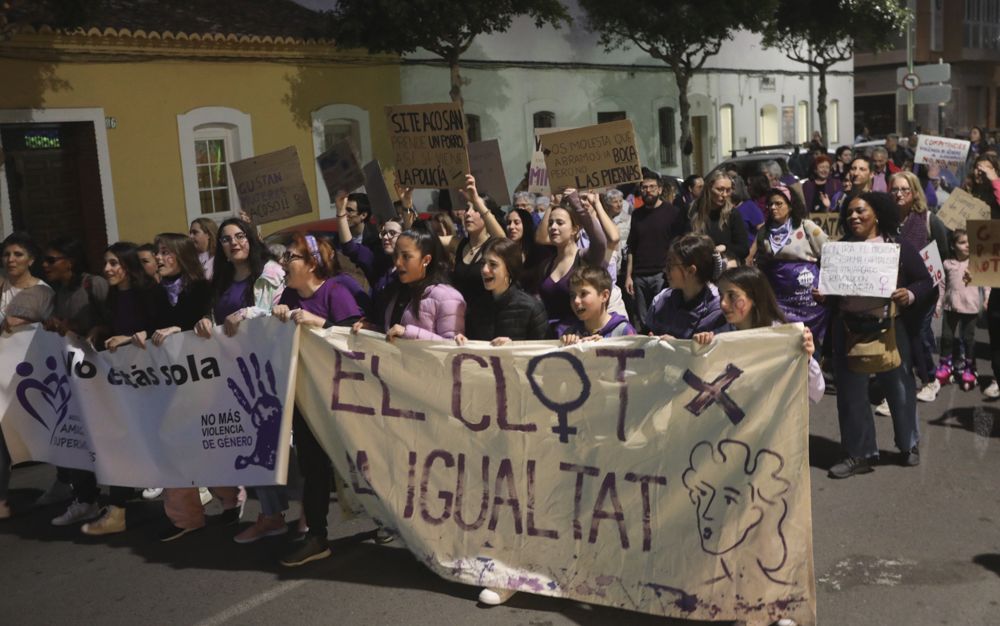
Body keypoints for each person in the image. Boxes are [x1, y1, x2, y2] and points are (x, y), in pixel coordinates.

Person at [191, 218, 287, 543]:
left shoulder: (270, 273)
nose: (235, 243)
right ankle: (271, 515)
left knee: (276, 443)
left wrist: (248, 314)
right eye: (227, 239)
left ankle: (291, 515)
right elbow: (215, 317)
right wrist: (205, 321)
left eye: (240, 236)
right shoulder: (220, 281)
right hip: (236, 373)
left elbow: (277, 312)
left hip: (269, 370)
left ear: (251, 240)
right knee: (255, 443)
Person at [824, 192, 933, 479]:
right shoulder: (840, 249)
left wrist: (909, 294)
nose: (853, 217)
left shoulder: (896, 246)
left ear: (878, 214)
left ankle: (908, 445)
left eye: (860, 211)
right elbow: (832, 293)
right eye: (849, 213)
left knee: (900, 390)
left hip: (891, 331)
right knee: (851, 396)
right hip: (850, 333)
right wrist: (824, 294)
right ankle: (858, 455)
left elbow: (925, 280)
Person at [275, 233, 364, 566]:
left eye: (291, 258)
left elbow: (358, 340)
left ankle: (387, 522)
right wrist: (278, 316)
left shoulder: (336, 293)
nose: (284, 264)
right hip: (307, 398)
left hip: (343, 399)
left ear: (312, 264)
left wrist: (321, 323)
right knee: (312, 468)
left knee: (360, 463)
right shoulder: (287, 295)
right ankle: (317, 537)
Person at [138, 233, 223, 541]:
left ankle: (229, 499)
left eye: (165, 252)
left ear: (181, 255)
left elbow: (208, 324)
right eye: (157, 252)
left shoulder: (202, 289)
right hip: (168, 383)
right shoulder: (154, 292)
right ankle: (185, 517)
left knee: (213, 444)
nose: (159, 258)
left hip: (203, 381)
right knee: (173, 446)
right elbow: (149, 328)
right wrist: (133, 337)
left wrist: (183, 329)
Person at [81, 242, 169, 535]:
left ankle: (193, 500)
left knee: (163, 444)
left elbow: (164, 330)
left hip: (154, 382)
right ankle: (117, 509)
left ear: (128, 266)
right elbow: (116, 327)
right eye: (106, 263)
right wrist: (102, 331)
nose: (107, 269)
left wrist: (129, 339)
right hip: (126, 383)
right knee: (119, 440)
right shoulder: (113, 297)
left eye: (114, 263)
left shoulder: (151, 293)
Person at [40, 237, 111, 526]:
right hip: (77, 376)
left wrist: (91, 330)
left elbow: (112, 319)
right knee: (77, 434)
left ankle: (123, 493)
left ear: (68, 262)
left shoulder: (93, 284)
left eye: (51, 260)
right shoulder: (59, 293)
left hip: (104, 372)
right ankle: (85, 499)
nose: (44, 265)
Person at [692, 266, 824, 403]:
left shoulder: (781, 340)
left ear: (754, 298)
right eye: (721, 295)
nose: (723, 304)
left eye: (732, 296)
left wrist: (806, 361)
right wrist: (699, 351)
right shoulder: (718, 335)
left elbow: (815, 393)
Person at [0, 232, 55, 520]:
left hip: (34, 374)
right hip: (1, 378)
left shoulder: (41, 290)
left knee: (48, 430)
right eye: (7, 254)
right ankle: (1, 500)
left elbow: (15, 318)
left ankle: (69, 483)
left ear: (31, 259)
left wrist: (9, 321)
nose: (11, 259)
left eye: (18, 254)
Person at [889, 171, 950, 406]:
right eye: (895, 189)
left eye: (905, 189)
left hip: (924, 289)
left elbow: (943, 251)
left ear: (914, 192)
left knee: (920, 336)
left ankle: (930, 379)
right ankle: (901, 381)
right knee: (899, 337)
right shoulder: (887, 221)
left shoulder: (928, 220)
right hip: (896, 290)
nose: (899, 194)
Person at [356, 220, 466, 341]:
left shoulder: (447, 298)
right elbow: (391, 334)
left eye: (406, 257)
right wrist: (371, 329)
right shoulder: (394, 291)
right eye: (396, 255)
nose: (398, 263)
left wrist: (408, 333)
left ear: (426, 260)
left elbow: (451, 350)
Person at [753, 186, 829, 344]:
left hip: (807, 297)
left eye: (778, 204)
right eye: (770, 204)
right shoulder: (764, 232)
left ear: (791, 205)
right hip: (779, 297)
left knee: (808, 342)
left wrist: (826, 287)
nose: (773, 207)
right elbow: (761, 262)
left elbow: (829, 254)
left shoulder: (806, 227)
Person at [536, 190, 610, 335]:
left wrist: (576, 203)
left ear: (574, 229)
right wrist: (552, 205)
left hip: (580, 336)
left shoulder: (585, 258)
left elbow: (600, 242)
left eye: (560, 223)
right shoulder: (546, 265)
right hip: (550, 337)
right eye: (550, 223)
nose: (553, 227)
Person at [625, 170, 688, 331]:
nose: (648, 191)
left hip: (662, 274)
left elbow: (679, 244)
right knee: (643, 320)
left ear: (660, 190)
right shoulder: (637, 215)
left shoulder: (672, 213)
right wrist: (628, 276)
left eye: (652, 187)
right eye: (644, 187)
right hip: (639, 275)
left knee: (662, 316)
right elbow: (632, 246)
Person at [459, 238, 550, 345]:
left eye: (493, 264)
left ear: (509, 268)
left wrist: (513, 347)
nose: (484, 270)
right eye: (483, 263)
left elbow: (543, 352)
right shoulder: (476, 307)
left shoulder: (532, 308)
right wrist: (464, 342)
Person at [645, 234, 725, 339]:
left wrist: (676, 346)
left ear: (691, 270)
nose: (665, 270)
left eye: (671, 265)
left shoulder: (717, 309)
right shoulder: (661, 300)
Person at [450, 175, 507, 315]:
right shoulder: (458, 243)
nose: (468, 214)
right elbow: (421, 241)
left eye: (475, 210)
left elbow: (502, 240)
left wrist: (476, 200)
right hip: (460, 318)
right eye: (467, 208)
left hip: (486, 319)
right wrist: (407, 205)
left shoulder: (493, 245)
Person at [935, 229, 983, 391]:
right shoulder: (947, 263)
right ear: (953, 246)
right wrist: (938, 305)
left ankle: (970, 368)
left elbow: (988, 282)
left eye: (969, 242)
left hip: (970, 308)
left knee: (968, 339)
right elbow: (942, 287)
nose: (967, 245)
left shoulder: (977, 263)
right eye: (962, 242)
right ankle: (945, 366)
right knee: (947, 338)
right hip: (951, 307)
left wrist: (988, 298)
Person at [971, 154, 1000, 398]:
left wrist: (994, 181)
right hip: (989, 268)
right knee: (995, 324)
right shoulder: (972, 195)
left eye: (987, 168)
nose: (982, 172)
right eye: (978, 168)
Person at [560, 266, 636, 344]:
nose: (576, 301)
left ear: (604, 296)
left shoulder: (623, 331)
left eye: (583, 294)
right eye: (572, 295)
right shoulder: (571, 333)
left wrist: (603, 346)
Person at [689, 171, 749, 266]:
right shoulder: (693, 211)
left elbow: (744, 249)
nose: (724, 194)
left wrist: (725, 248)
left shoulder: (732, 214)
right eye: (720, 189)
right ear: (708, 188)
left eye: (728, 190)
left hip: (725, 269)